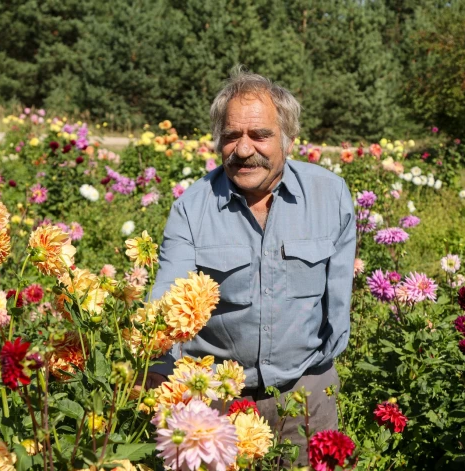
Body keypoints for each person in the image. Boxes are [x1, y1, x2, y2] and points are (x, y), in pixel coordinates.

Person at [146, 66, 355, 462]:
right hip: (214, 405)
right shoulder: (193, 208)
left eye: (260, 135)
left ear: (287, 139)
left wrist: (317, 375)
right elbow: (166, 301)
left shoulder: (330, 196)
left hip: (305, 395)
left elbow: (338, 299)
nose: (244, 150)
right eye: (231, 136)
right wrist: (159, 367)